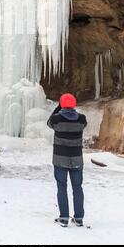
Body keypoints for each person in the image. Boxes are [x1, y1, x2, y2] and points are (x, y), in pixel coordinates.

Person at [47, 93, 87, 228]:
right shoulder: (81, 119)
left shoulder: (56, 119)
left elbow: (49, 122)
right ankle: (79, 218)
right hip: (76, 159)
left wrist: (58, 108)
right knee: (77, 188)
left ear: (61, 104)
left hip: (60, 159)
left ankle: (64, 218)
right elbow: (82, 123)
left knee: (62, 187)